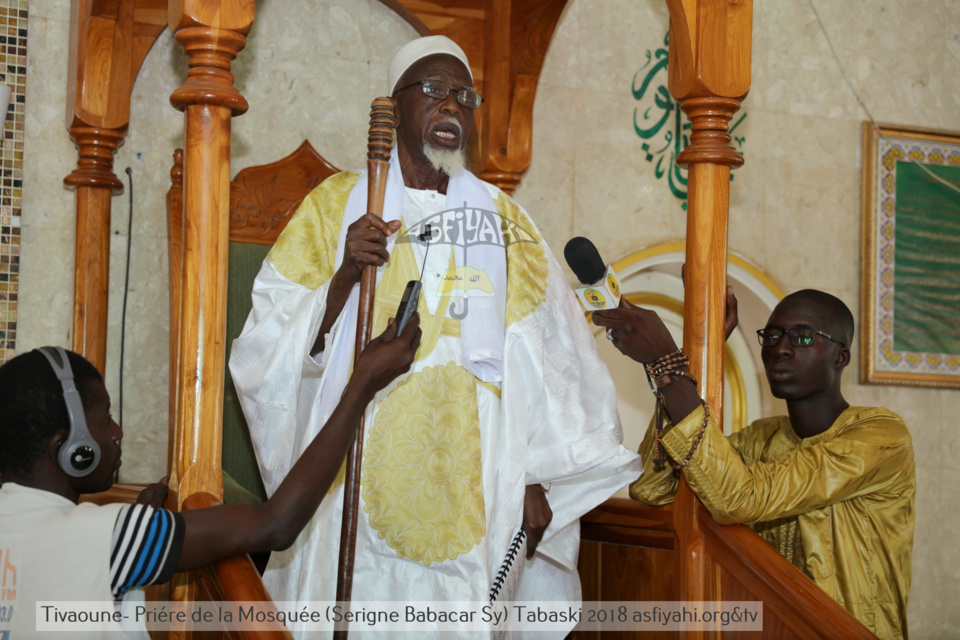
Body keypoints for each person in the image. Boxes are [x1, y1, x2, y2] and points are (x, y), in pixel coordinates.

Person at [228, 35, 642, 636]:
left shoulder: (507, 224)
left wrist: (534, 474)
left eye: (463, 96)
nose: (450, 106)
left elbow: (547, 361)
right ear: (393, 108)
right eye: (431, 91)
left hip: (478, 483)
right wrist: (344, 276)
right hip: (349, 474)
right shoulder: (336, 206)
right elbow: (265, 350)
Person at [0, 319, 420, 638]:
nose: (116, 431)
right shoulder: (106, 535)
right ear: (72, 448)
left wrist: (140, 526)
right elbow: (276, 523)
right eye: (105, 417)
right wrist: (362, 385)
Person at [593, 289, 915, 640]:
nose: (782, 348)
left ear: (840, 357)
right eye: (772, 336)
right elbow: (652, 488)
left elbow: (742, 498)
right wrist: (694, 357)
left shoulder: (882, 435)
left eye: (803, 337)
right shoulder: (763, 437)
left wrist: (668, 364)